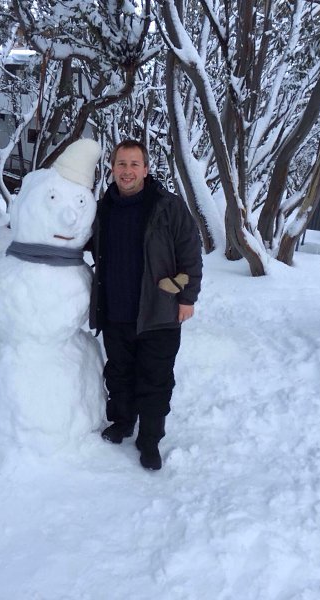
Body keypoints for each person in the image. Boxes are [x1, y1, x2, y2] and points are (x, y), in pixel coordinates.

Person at [89, 139, 202, 470]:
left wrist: (187, 298)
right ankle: (123, 422)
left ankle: (149, 440)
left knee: (155, 380)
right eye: (121, 164)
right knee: (120, 373)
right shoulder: (102, 208)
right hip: (115, 311)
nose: (127, 171)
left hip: (159, 312)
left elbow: (190, 253)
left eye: (134, 164)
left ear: (146, 169)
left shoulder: (168, 206)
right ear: (112, 168)